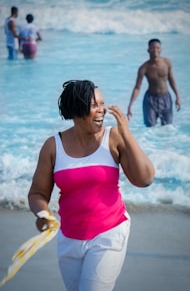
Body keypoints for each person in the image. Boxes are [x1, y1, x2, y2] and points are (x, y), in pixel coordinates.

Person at [28, 80, 155, 291]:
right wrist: (42, 214)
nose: (102, 109)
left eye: (102, 103)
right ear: (76, 110)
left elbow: (145, 179)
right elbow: (37, 193)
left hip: (109, 232)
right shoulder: (53, 146)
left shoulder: (113, 137)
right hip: (69, 238)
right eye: (94, 104)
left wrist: (127, 134)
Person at [127, 39, 181, 127]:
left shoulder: (167, 63)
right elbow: (137, 87)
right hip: (150, 100)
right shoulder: (144, 68)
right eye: (152, 48)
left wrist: (177, 96)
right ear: (148, 50)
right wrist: (130, 105)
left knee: (168, 126)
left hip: (165, 98)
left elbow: (171, 80)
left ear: (160, 50)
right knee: (150, 127)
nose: (155, 50)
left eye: (157, 48)